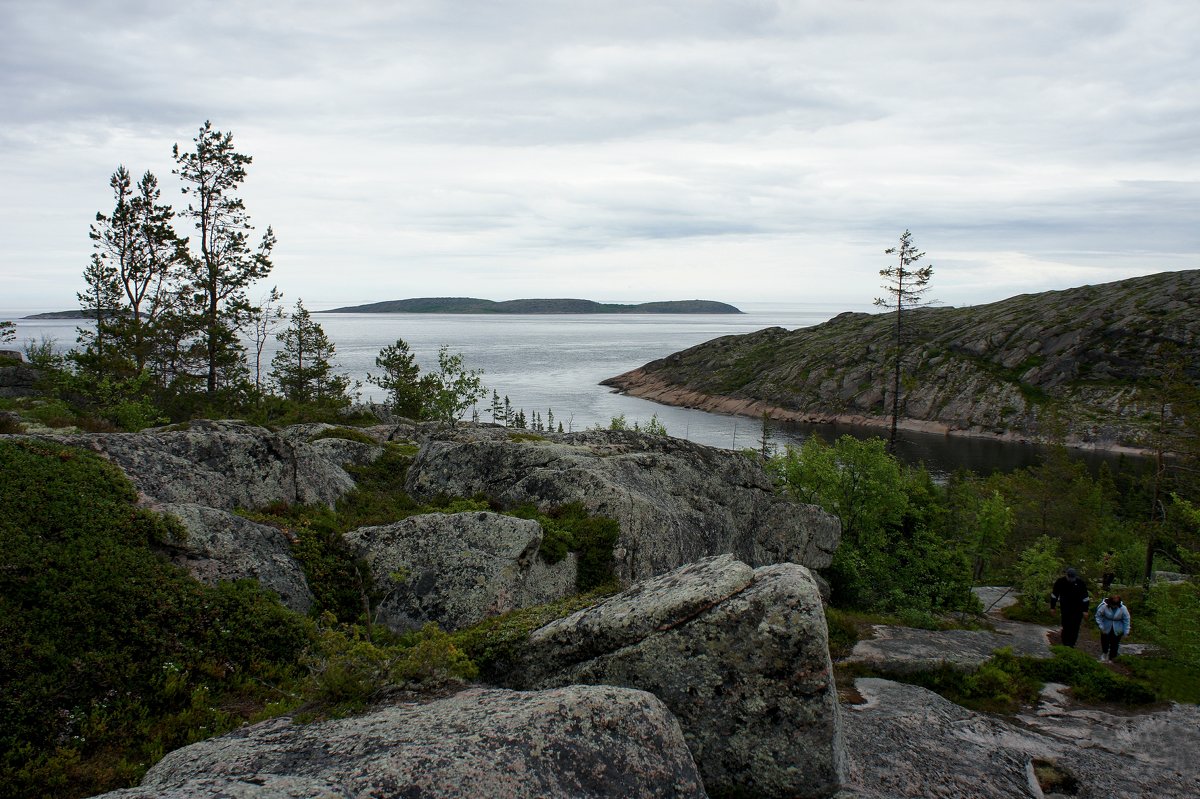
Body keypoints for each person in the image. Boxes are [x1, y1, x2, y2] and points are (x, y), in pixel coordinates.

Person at [1049, 567, 1090, 647]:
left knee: (1075, 627)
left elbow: (1085, 597)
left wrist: (1085, 610)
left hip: (1078, 608)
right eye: (1070, 577)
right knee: (1066, 625)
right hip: (1065, 608)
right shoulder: (1060, 582)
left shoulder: (1080, 583)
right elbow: (1054, 595)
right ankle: (1065, 643)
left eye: (1073, 578)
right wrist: (1052, 607)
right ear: (1066, 575)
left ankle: (1071, 645)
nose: (1071, 579)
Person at [1095, 594, 1131, 662]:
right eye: (1112, 605)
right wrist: (1101, 626)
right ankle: (1104, 653)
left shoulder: (1123, 608)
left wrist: (1126, 631)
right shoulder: (1103, 607)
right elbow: (1098, 616)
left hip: (1118, 628)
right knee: (1105, 641)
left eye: (1115, 605)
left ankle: (1112, 657)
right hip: (1106, 626)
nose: (1114, 606)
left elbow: (1127, 619)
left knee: (1115, 643)